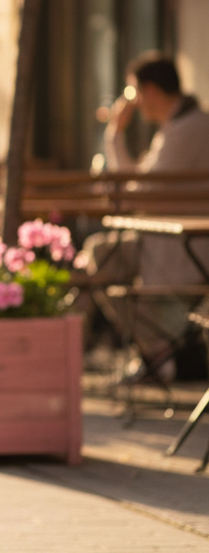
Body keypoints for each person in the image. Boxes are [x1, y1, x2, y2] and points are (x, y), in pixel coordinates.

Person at [79, 52, 209, 379]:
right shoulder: (178, 126)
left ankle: (159, 353)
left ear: (150, 90)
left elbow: (137, 193)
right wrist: (116, 138)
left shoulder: (187, 129)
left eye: (132, 92)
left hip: (182, 246)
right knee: (97, 254)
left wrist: (114, 135)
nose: (132, 103)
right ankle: (156, 353)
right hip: (165, 239)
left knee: (99, 257)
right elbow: (137, 186)